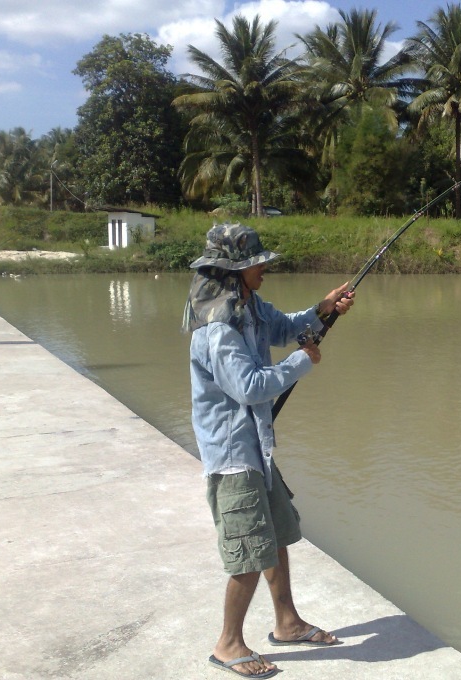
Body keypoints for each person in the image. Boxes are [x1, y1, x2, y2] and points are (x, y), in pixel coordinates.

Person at [183, 223, 355, 678]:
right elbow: (249, 387)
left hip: (256, 447)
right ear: (236, 270)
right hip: (232, 457)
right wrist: (303, 361)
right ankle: (228, 644)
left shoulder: (249, 306)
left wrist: (323, 309)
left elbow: (284, 327)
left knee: (276, 535)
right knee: (248, 551)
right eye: (257, 262)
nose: (264, 268)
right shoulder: (217, 329)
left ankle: (288, 623)